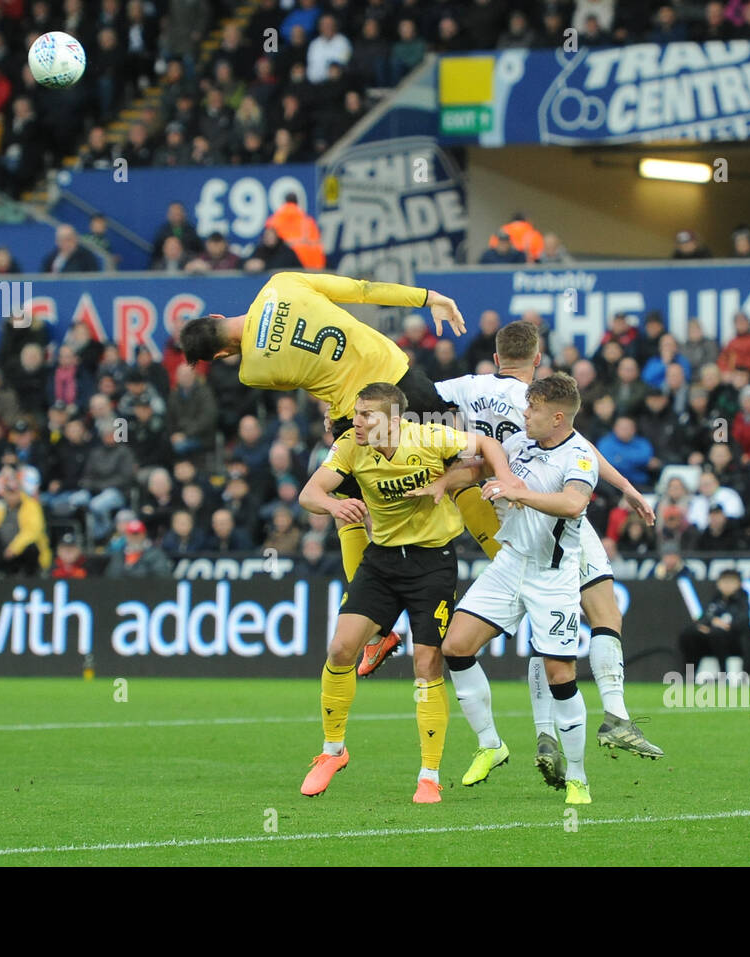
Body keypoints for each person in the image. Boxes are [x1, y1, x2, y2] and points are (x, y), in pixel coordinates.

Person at [430, 321, 662, 775]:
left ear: (496, 359)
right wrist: (628, 488)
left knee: (541, 627)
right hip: (549, 517)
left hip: (507, 517)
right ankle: (613, 716)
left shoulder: (466, 386)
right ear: (537, 360)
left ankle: (544, 734)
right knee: (603, 615)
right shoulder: (536, 403)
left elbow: (418, 394)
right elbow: (582, 449)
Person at [176, 271, 467, 609]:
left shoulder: (252, 371)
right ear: (216, 317)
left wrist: (332, 409)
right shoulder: (281, 282)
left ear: (220, 356)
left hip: (356, 413)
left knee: (347, 509)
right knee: (460, 466)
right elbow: (363, 289)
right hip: (400, 378)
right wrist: (429, 297)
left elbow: (316, 376)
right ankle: (502, 556)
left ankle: (368, 615)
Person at [295, 381, 516, 803]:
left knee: (426, 663)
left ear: (394, 421)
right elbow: (310, 493)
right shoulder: (349, 446)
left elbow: (486, 445)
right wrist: (335, 505)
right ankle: (332, 752)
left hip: (431, 564)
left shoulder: (430, 437)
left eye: (367, 415)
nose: (356, 422)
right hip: (381, 562)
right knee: (341, 649)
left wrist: (461, 481)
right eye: (356, 413)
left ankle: (429, 775)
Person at [423, 374, 599, 805]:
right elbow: (481, 464)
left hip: (552, 577)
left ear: (557, 417)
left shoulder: (578, 457)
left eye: (532, 410)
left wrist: (518, 493)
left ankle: (577, 777)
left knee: (561, 676)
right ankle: (491, 744)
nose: (523, 415)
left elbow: (574, 503)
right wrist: (446, 483)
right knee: (456, 647)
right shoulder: (519, 444)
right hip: (510, 564)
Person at [678, 568, 750, 680]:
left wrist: (724, 626)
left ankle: (724, 674)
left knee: (717, 633)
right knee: (688, 634)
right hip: (711, 638)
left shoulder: (742, 600)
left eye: (731, 582)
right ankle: (688, 674)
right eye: (724, 582)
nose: (727, 585)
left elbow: (742, 622)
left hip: (733, 641)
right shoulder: (715, 600)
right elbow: (704, 617)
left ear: (739, 584)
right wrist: (709, 624)